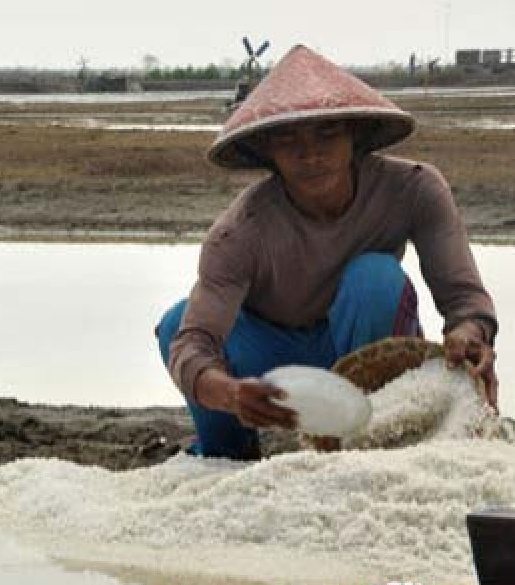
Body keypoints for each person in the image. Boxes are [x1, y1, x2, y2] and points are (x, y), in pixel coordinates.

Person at [156, 45, 499, 460]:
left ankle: (372, 439)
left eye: (327, 133)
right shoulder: (239, 233)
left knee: (375, 277)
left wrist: (468, 334)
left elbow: (464, 300)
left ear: (354, 136)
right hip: (275, 361)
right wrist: (231, 394)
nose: (310, 154)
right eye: (288, 139)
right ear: (268, 151)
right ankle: (226, 454)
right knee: (176, 322)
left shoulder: (414, 189)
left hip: (368, 346)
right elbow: (193, 346)